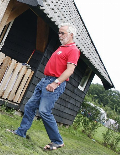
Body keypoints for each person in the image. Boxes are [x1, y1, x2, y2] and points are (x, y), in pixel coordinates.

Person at [7, 22, 80, 151]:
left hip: (54, 83)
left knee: (44, 111)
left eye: (62, 33)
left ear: (71, 34)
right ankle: (21, 132)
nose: (60, 35)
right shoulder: (62, 47)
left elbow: (69, 71)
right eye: (59, 32)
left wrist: (56, 83)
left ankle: (57, 141)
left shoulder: (73, 50)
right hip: (45, 81)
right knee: (30, 106)